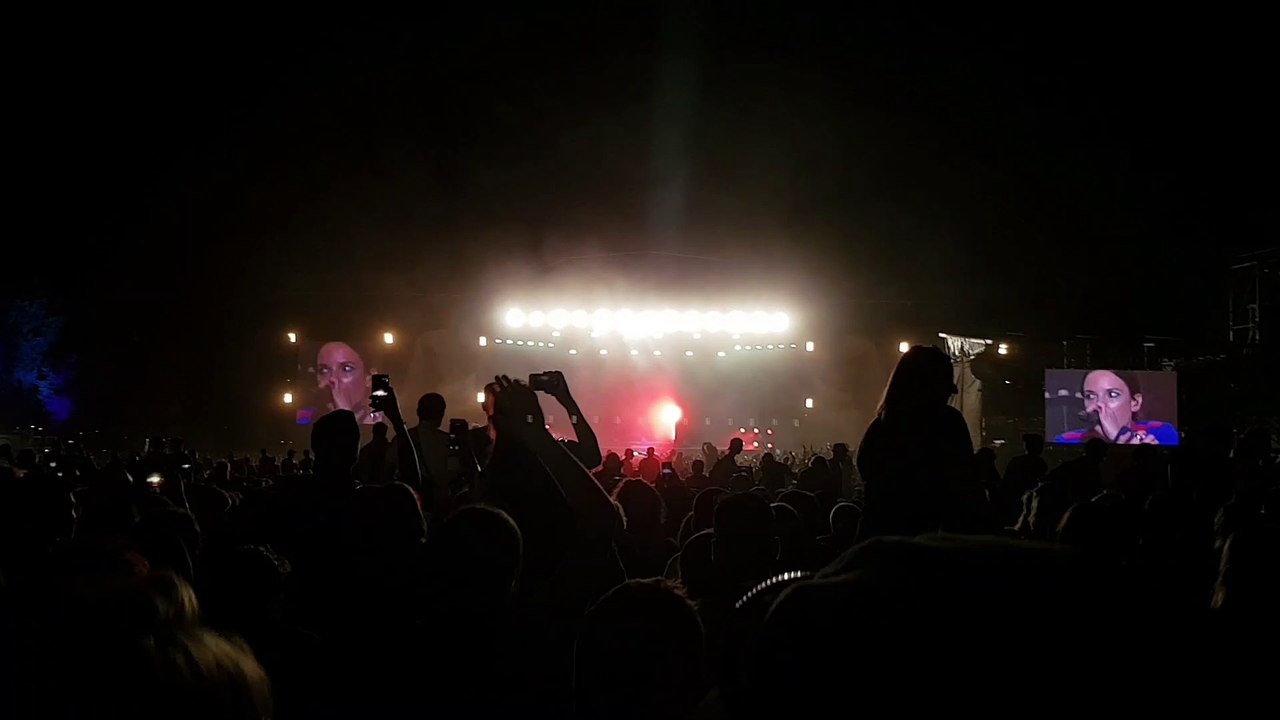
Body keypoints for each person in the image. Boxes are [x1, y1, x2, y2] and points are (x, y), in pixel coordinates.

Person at [856, 345, 981, 537]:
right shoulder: (947, 423)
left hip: (879, 540)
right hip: (928, 543)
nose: (949, 394)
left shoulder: (878, 429)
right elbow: (964, 490)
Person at [1054, 369, 1178, 445]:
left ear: (1135, 402)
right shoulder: (1067, 440)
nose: (1099, 405)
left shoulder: (1161, 432)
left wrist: (1121, 436)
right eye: (1090, 396)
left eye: (1112, 395)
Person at [313, 341, 382, 425]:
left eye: (346, 369)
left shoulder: (384, 423)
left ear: (369, 379)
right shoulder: (307, 416)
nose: (332, 378)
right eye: (324, 370)